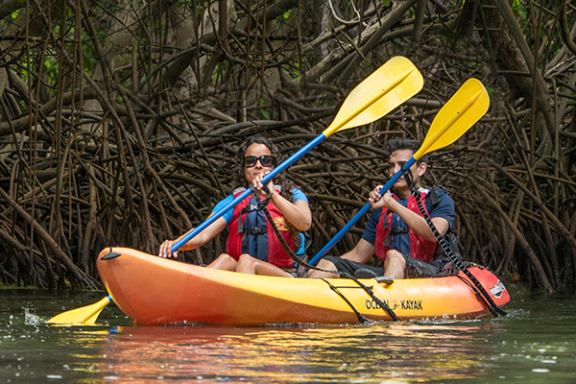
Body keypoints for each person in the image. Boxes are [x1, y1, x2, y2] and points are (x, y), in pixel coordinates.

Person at [159, 136, 311, 277]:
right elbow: (203, 233)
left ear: (274, 166)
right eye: (251, 161)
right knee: (226, 259)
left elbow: (304, 223)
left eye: (266, 161)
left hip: (286, 275)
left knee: (246, 260)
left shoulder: (292, 194)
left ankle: (241, 304)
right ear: (243, 168)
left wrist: (273, 195)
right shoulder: (234, 201)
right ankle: (192, 292)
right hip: (245, 272)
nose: (258, 165)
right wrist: (177, 243)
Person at [308, 138, 456, 280]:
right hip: (389, 271)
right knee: (327, 263)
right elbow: (358, 254)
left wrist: (391, 204)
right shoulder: (383, 207)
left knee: (394, 256)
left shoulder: (438, 199)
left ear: (421, 168)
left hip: (432, 271)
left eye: (403, 165)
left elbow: (434, 233)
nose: (395, 171)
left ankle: (385, 299)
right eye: (392, 165)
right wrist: (323, 268)